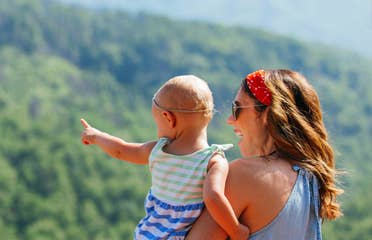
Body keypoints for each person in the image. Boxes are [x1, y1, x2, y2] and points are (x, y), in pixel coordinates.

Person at [80, 75, 250, 240]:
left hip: (147, 233)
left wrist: (96, 136)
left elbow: (120, 150)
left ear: (169, 119)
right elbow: (213, 197)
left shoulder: (157, 150)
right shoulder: (213, 161)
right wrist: (235, 230)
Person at [186, 69, 343, 240]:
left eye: (237, 108)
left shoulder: (244, 175)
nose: (230, 119)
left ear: (268, 114)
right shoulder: (311, 181)